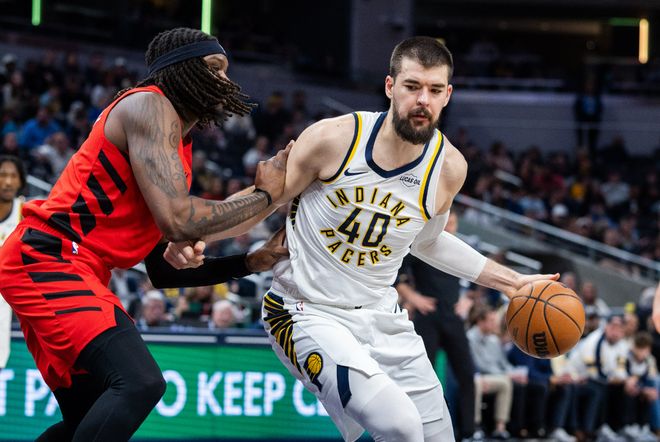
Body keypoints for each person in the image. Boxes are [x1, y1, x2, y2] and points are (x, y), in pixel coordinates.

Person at [171, 36, 559, 442]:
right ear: (390, 87)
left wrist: (513, 281)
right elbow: (261, 203)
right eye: (412, 86)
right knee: (400, 425)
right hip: (305, 310)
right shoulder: (335, 138)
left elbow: (428, 242)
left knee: (436, 436)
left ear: (447, 95)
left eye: (434, 90)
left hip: (381, 315)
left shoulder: (448, 167)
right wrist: (194, 233)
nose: (422, 100)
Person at [0, 27, 290, 442]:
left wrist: (250, 261)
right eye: (214, 67)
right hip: (49, 257)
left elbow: (163, 270)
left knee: (87, 418)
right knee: (140, 382)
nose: (226, 80)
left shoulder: (174, 146)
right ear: (180, 69)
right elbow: (180, 221)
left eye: (226, 69)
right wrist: (267, 195)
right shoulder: (149, 106)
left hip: (67, 264)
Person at [396, 212, 478, 441]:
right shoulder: (421, 246)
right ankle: (420, 429)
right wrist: (414, 298)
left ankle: (469, 433)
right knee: (424, 375)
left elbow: (476, 281)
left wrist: (468, 300)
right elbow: (396, 275)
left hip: (453, 317)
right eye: (447, 222)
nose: (450, 226)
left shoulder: (461, 249)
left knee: (467, 375)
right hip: (427, 317)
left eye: (453, 223)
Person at [0, 155, 25, 375]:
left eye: (13, 176)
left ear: (20, 181)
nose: (8, 182)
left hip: (10, 297)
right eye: (3, 175)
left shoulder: (25, 212)